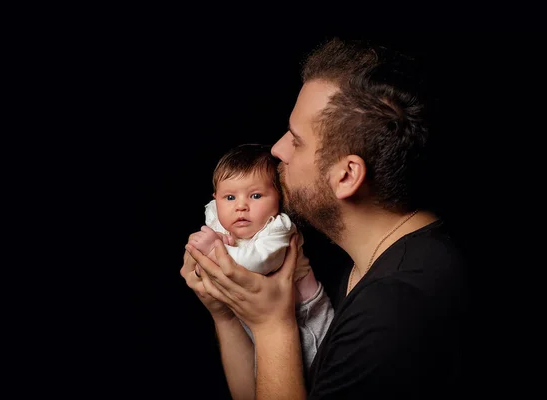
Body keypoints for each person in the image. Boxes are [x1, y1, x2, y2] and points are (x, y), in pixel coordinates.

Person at [180, 37, 469, 399]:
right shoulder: (358, 261)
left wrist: (272, 325)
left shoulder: (394, 312)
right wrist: (226, 313)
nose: (277, 149)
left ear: (346, 176)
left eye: (297, 140)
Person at [188, 143, 334, 373]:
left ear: (279, 198)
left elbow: (259, 263)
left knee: (313, 369)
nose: (241, 206)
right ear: (216, 198)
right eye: (229, 197)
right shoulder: (218, 211)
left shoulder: (280, 227)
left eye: (256, 195)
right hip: (259, 313)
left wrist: (214, 249)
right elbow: (211, 215)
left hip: (305, 315)